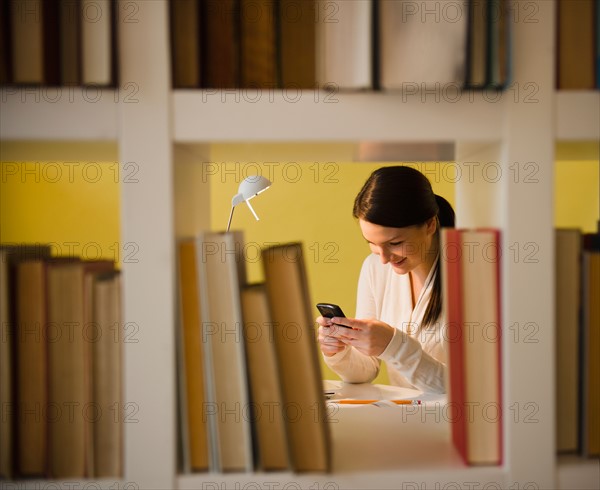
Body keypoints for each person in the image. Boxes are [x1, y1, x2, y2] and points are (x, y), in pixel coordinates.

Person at [317, 166, 455, 394]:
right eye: (371, 243)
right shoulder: (375, 268)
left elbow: (469, 389)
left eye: (394, 243)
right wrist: (339, 350)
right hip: (404, 418)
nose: (383, 259)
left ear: (430, 224)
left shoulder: (471, 276)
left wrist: (395, 346)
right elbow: (366, 369)